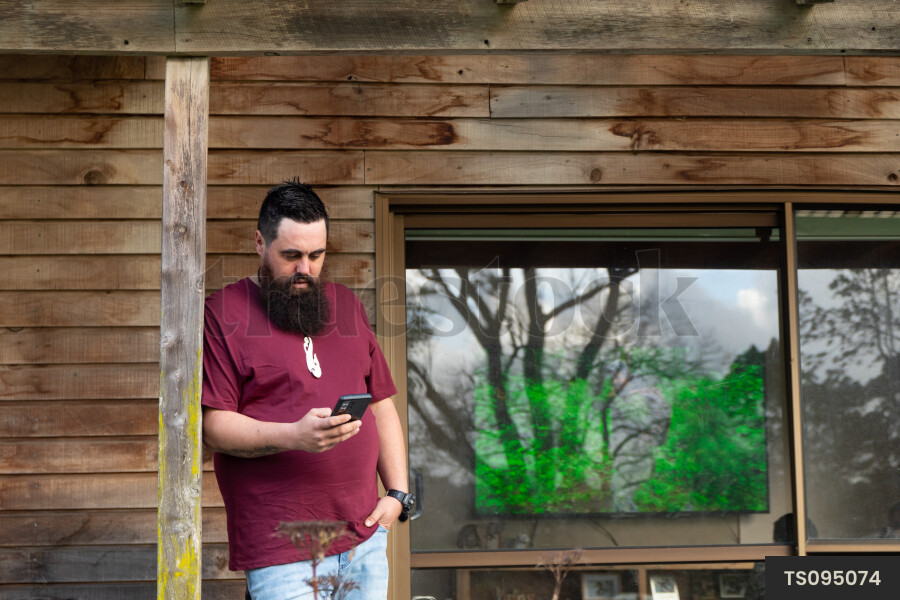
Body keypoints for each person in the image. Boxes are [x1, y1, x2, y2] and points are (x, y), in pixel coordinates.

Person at [201, 179, 412, 600]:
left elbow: (382, 405)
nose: (306, 270)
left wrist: (398, 495)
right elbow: (214, 427)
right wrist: (294, 436)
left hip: (364, 537)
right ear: (260, 243)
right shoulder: (223, 312)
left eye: (317, 255)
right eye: (291, 255)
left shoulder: (347, 305)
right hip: (282, 549)